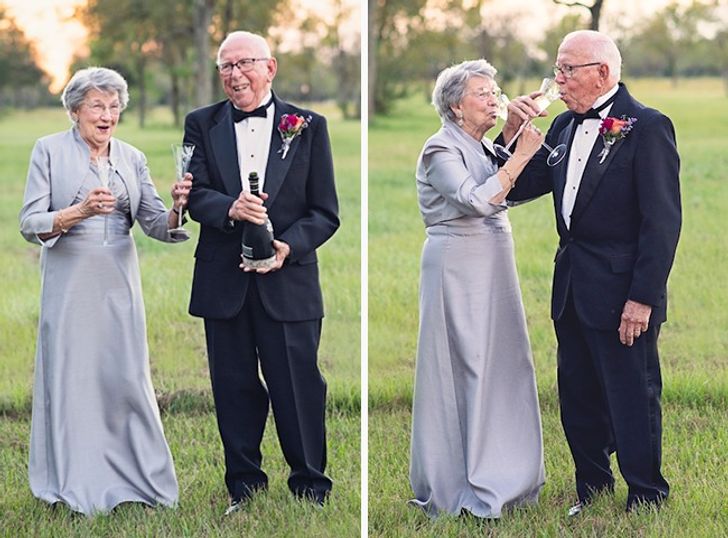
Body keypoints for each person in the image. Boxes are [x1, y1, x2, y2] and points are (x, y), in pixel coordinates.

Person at [503, 30, 681, 514]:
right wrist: (511, 134)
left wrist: (642, 297)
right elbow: (520, 187)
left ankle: (646, 495)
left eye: (567, 69)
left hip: (625, 291)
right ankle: (592, 489)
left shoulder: (647, 126)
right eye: (557, 69)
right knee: (577, 395)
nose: (557, 79)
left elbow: (662, 222)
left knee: (631, 394)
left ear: (602, 73)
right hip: (572, 287)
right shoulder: (561, 126)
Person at [19, 67, 192, 515]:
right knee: (74, 375)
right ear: (75, 109)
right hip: (70, 280)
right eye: (97, 105)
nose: (107, 114)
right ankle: (74, 482)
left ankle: (135, 478)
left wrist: (177, 208)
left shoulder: (132, 157)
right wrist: (77, 212)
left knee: (125, 376)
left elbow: (155, 222)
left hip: (119, 280)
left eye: (114, 106)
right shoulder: (49, 151)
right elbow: (29, 222)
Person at [183, 31, 339, 514]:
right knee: (232, 387)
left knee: (298, 386)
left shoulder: (307, 125)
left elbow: (325, 212)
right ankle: (244, 490)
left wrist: (286, 247)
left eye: (244, 63)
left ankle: (310, 487)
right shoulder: (200, 123)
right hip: (222, 280)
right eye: (226, 67)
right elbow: (194, 194)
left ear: (270, 68)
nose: (235, 75)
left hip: (287, 281)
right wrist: (231, 208)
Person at [409, 59, 546, 519]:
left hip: (494, 263)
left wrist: (510, 135)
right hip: (457, 265)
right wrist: (523, 153)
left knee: (504, 363)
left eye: (496, 90)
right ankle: (461, 483)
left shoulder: (479, 144)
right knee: (465, 365)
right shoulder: (438, 149)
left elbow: (510, 189)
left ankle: (509, 475)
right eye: (483, 93)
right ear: (455, 106)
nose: (494, 97)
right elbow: (475, 199)